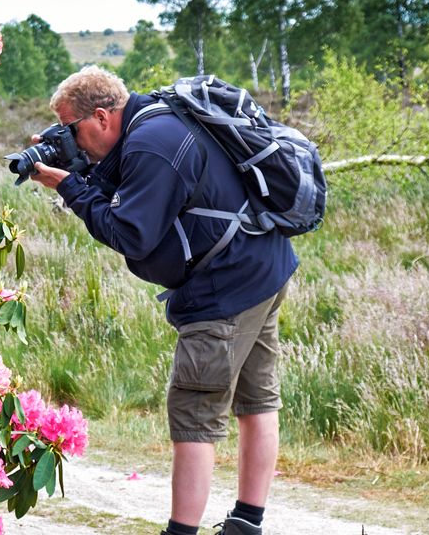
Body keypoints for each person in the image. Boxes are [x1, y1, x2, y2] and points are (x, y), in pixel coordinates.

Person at [28, 65, 298, 535]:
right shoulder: (158, 118)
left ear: (101, 116)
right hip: (263, 264)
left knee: (194, 410)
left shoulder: (151, 144)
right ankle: (248, 522)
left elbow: (131, 233)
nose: (73, 142)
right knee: (257, 399)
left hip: (226, 287)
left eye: (72, 131)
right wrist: (82, 171)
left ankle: (181, 532)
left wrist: (70, 187)